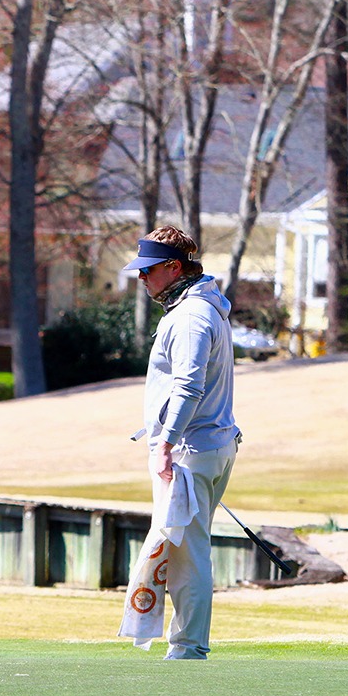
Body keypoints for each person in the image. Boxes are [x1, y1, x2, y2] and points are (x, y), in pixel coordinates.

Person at [123, 225, 242, 660]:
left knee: (187, 555)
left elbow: (189, 387)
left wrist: (166, 444)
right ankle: (185, 643)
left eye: (148, 270)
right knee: (182, 549)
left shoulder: (192, 315)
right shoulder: (197, 307)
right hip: (205, 446)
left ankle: (189, 647)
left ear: (173, 268)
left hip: (191, 449)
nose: (142, 279)